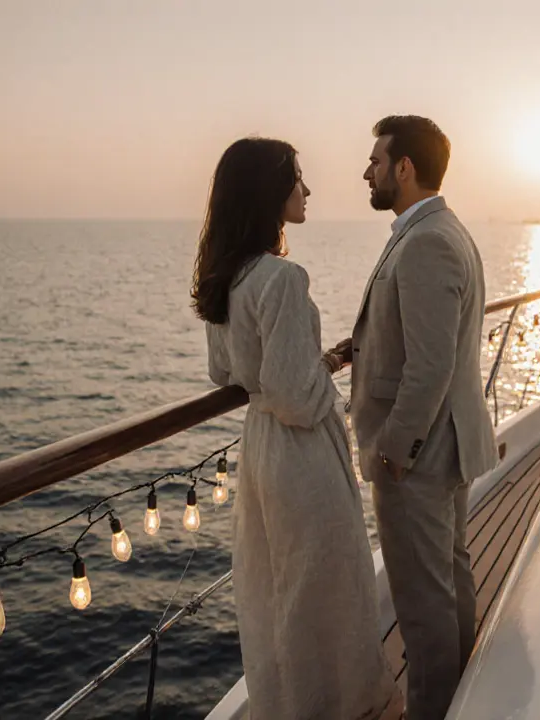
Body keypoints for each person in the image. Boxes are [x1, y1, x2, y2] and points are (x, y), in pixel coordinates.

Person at [194, 137, 399, 720]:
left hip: (260, 450)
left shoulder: (226, 275)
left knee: (274, 589)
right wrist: (325, 372)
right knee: (327, 583)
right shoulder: (282, 278)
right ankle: (340, 706)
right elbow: (297, 397)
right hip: (301, 452)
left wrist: (313, 364)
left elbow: (226, 372)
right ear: (269, 192)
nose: (307, 191)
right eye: (298, 180)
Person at [337, 115, 499, 720]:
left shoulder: (427, 239)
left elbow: (429, 366)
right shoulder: (440, 229)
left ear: (404, 168)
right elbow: (418, 337)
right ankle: (463, 701)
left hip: (420, 455)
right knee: (450, 582)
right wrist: (360, 347)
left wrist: (390, 453)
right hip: (448, 443)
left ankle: (433, 709)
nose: (367, 171)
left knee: (423, 601)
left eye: (375, 161)